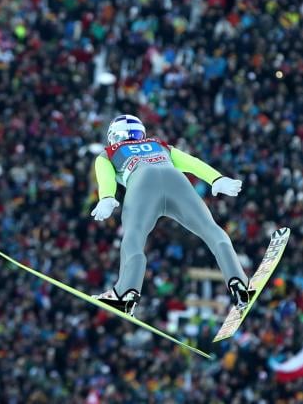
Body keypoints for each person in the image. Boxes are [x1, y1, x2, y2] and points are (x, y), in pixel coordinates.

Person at [90, 114, 255, 316]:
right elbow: (191, 162)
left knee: (133, 238)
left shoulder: (108, 153)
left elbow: (106, 178)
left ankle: (126, 294)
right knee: (210, 229)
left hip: (142, 182)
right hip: (175, 179)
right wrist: (216, 179)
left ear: (114, 136)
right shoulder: (158, 144)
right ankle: (239, 283)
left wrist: (106, 197)